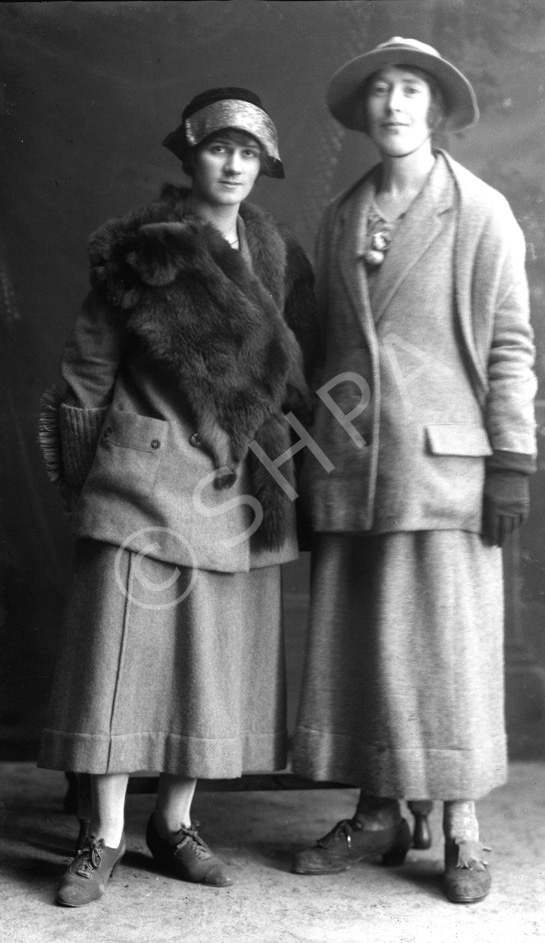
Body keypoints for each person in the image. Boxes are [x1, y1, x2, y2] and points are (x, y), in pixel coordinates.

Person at [37, 86, 317, 907]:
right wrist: (93, 479)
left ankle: (177, 822)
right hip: (143, 477)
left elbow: (293, 382)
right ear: (189, 155)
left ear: (263, 165)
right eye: (218, 147)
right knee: (123, 663)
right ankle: (105, 833)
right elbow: (86, 369)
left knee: (209, 663)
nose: (233, 164)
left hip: (235, 486)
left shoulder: (276, 254)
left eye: (249, 153)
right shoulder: (145, 249)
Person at [291, 38, 536, 903]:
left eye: (411, 90)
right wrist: (309, 459)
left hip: (447, 468)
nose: (394, 105)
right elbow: (325, 351)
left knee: (446, 649)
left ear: (435, 108)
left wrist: (510, 459)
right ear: (364, 111)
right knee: (369, 646)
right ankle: (381, 809)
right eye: (381, 92)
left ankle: (461, 828)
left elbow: (510, 345)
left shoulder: (481, 212)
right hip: (355, 465)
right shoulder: (342, 213)